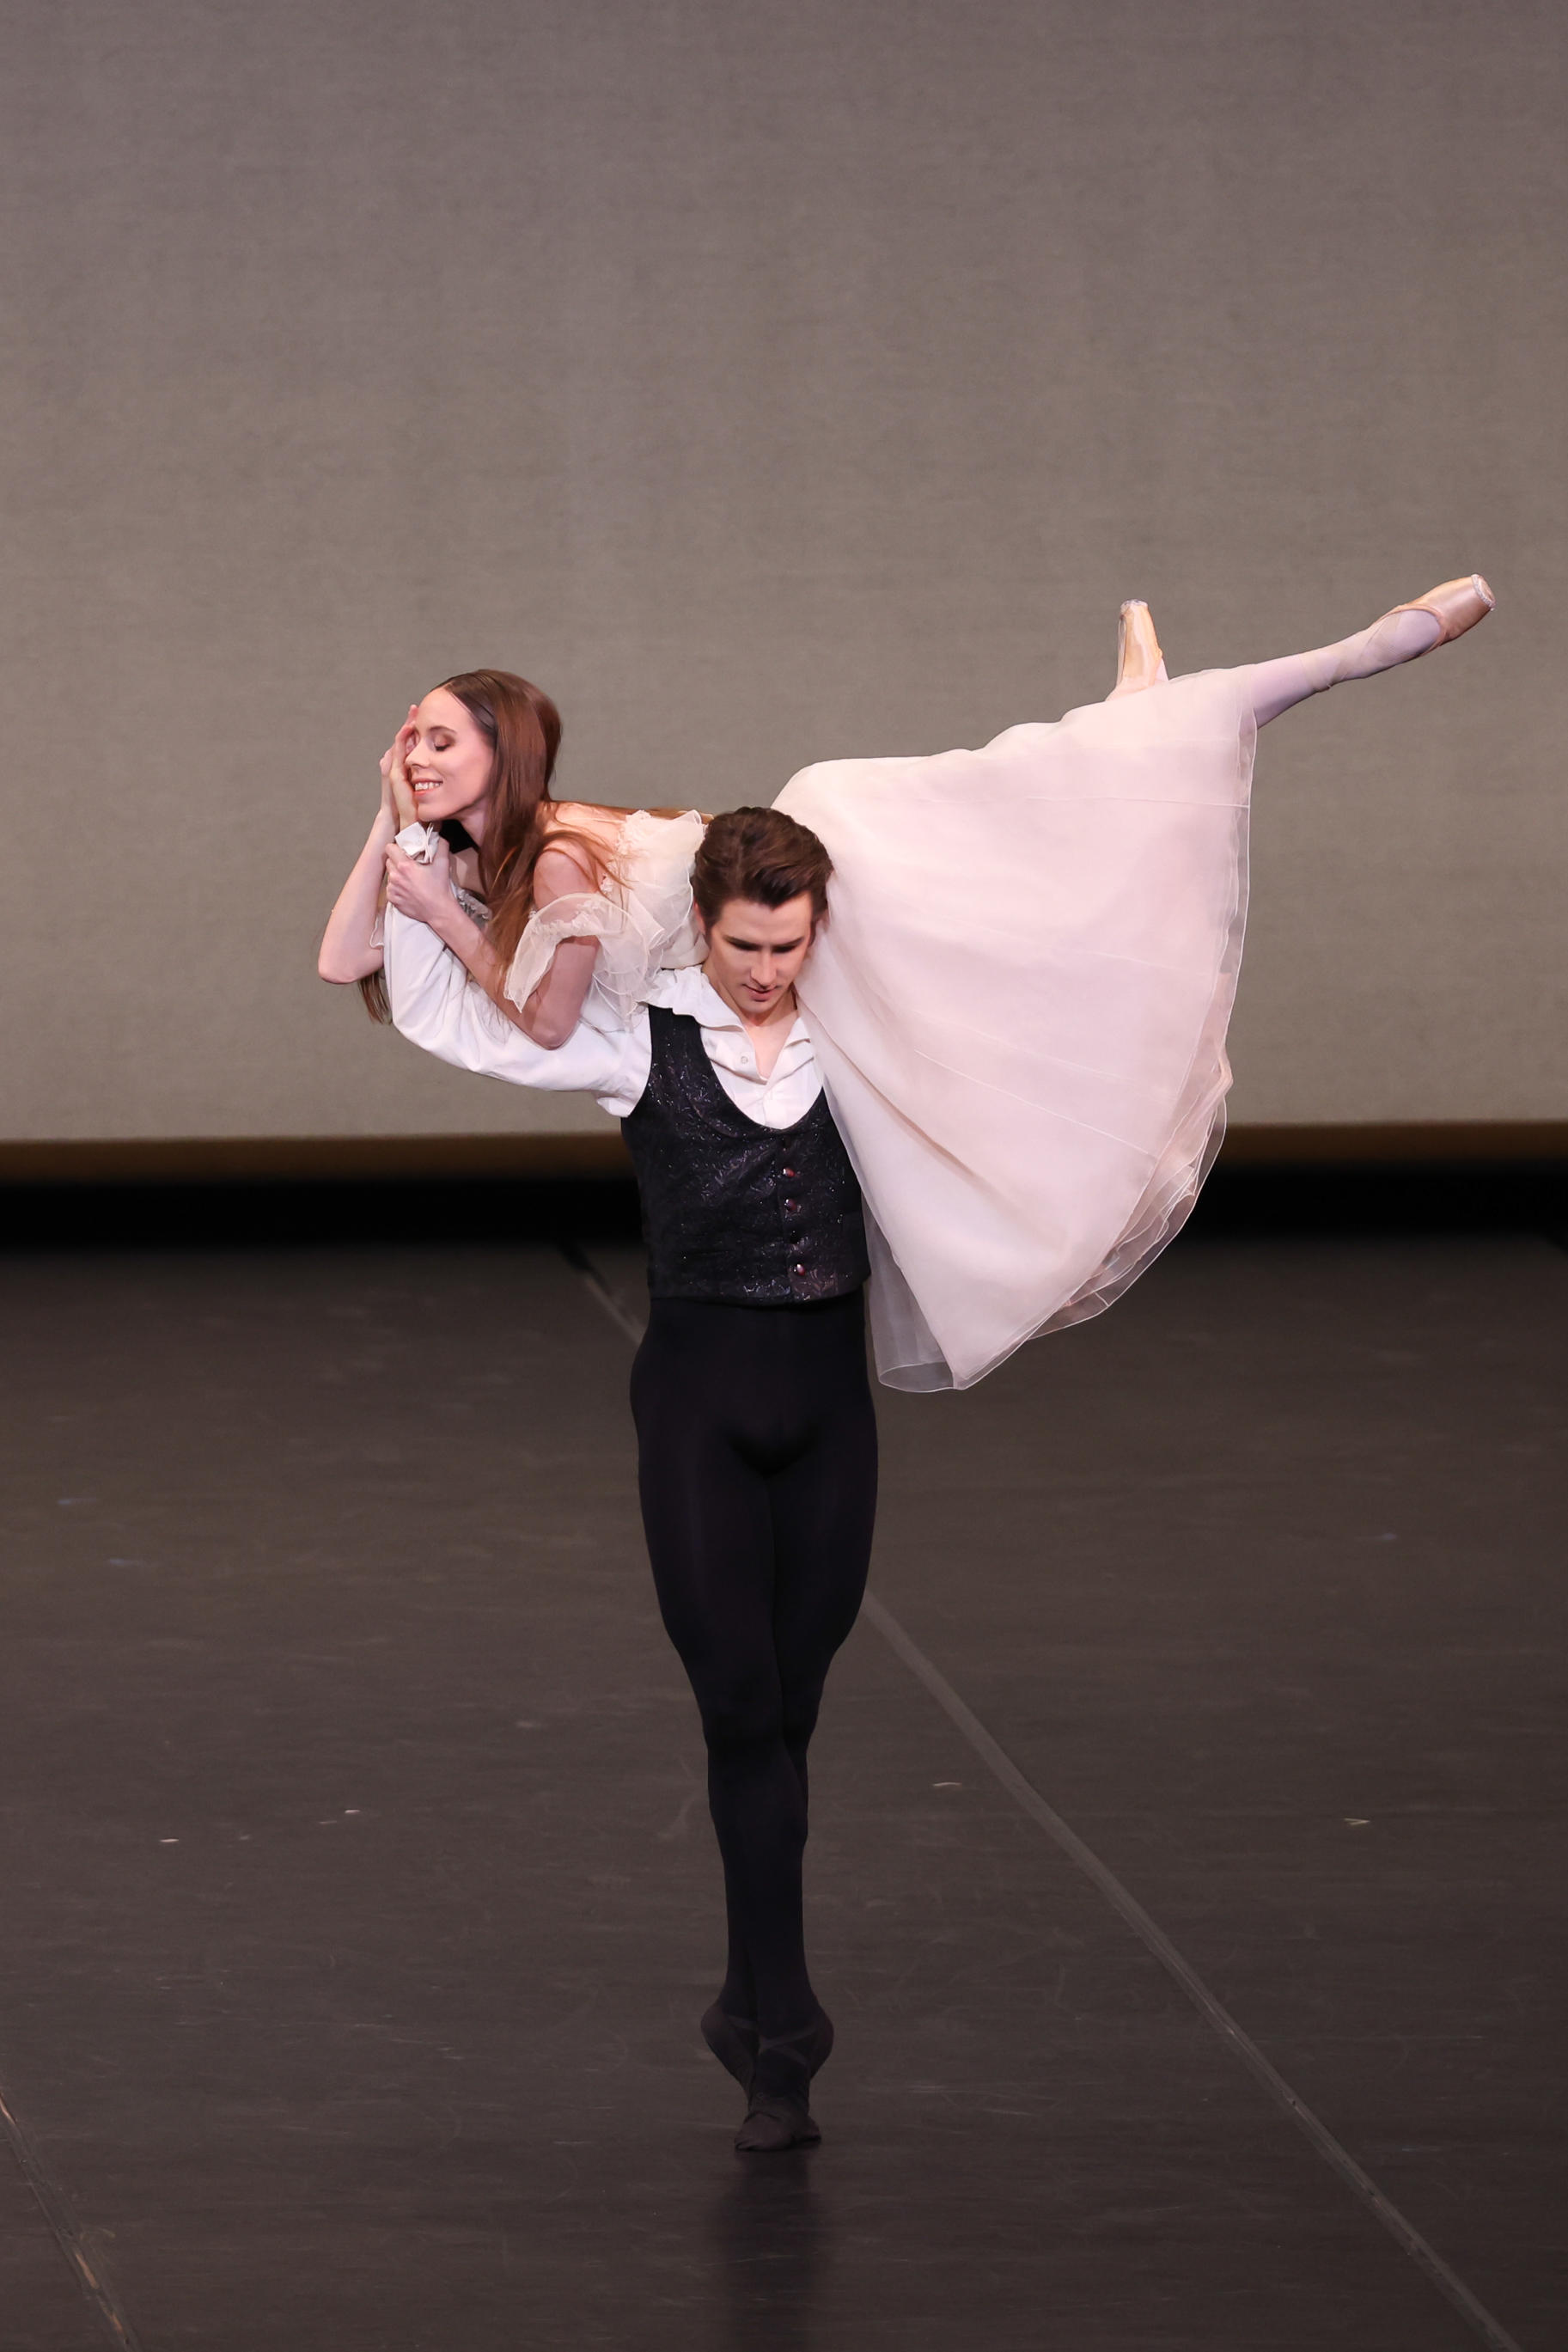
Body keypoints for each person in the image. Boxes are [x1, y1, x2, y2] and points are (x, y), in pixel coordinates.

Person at [324, 574, 1495, 1389]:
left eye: (436, 740)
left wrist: (438, 913)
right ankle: (1121, 732)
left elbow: (542, 1015)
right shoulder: (494, 859)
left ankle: (1313, 668)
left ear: (502, 755)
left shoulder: (560, 858)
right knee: (1016, 947)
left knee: (986, 865)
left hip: (810, 893)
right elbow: (341, 960)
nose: (417, 755)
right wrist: (389, 818)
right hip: (756, 970)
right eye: (409, 738)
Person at [375, 807, 877, 2156]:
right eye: (742, 944)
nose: (766, 970)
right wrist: (418, 869)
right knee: (739, 1708)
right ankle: (787, 2043)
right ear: (698, 926)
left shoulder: (870, 1039)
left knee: (793, 1713)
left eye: (787, 944)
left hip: (833, 1412)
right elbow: (467, 1026)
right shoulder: (630, 1028)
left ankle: (744, 1999)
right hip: (698, 1405)